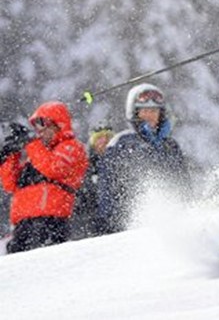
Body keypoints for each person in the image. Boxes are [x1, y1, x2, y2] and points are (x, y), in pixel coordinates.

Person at [96, 83, 191, 235]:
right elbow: (107, 191)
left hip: (170, 226)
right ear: (134, 113)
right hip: (128, 228)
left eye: (154, 111)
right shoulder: (122, 143)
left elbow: (184, 184)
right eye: (144, 111)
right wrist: (112, 227)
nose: (150, 115)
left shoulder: (170, 146)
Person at [0, 102, 89, 253]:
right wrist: (9, 156)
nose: (39, 132)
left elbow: (54, 169)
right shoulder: (38, 154)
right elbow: (10, 184)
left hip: (51, 221)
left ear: (57, 124)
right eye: (36, 128)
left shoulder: (71, 147)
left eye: (43, 125)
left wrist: (30, 143)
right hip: (23, 225)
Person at [71, 124, 115, 240]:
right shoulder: (86, 166)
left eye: (108, 137)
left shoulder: (119, 163)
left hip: (115, 219)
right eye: (99, 138)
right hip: (91, 223)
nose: (104, 141)